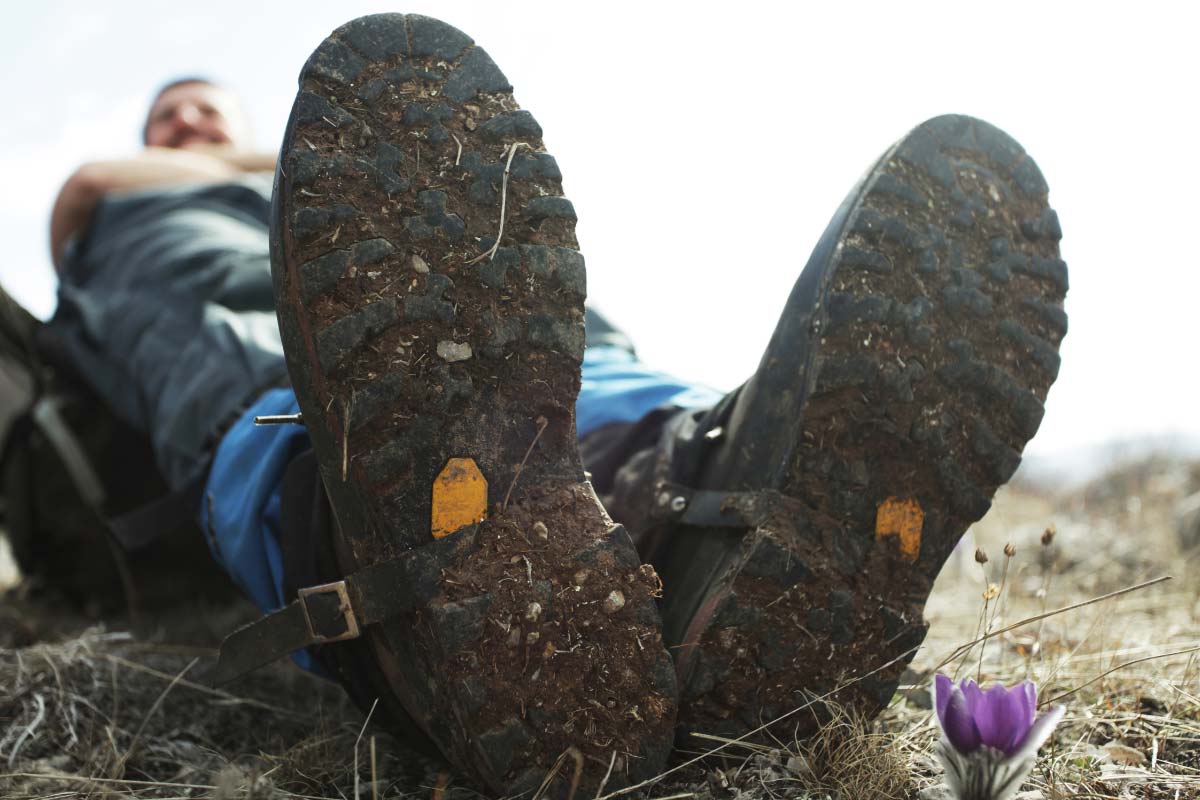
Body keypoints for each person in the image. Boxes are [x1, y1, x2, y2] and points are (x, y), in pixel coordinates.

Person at [9, 12, 1068, 797]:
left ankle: (700, 502)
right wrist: (247, 164)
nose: (186, 118)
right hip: (215, 289)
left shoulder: (298, 185)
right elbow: (89, 189)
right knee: (291, 375)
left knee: (554, 363)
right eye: (170, 112)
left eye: (206, 106)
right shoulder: (121, 196)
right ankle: (384, 543)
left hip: (464, 313)